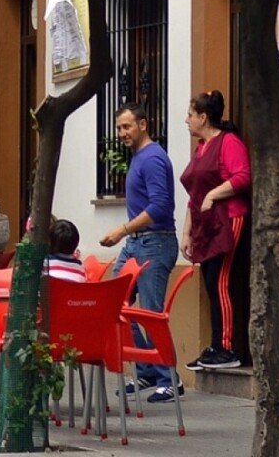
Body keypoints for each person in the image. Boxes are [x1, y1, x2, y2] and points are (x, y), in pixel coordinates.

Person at [98, 104, 179, 402]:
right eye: (119, 128)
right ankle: (146, 370)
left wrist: (122, 230)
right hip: (137, 243)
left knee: (151, 313)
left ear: (143, 125)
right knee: (115, 304)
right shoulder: (139, 158)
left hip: (154, 243)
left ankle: (170, 379)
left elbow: (160, 206)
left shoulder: (154, 158)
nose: (122, 133)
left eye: (127, 126)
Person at [181, 90, 253, 371]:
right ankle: (215, 346)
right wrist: (186, 232)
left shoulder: (229, 143)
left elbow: (243, 176)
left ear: (203, 117)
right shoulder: (201, 148)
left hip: (228, 219)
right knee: (211, 283)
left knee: (220, 281)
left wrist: (214, 195)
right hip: (205, 225)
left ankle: (229, 348)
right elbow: (193, 195)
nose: (186, 120)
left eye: (190, 115)